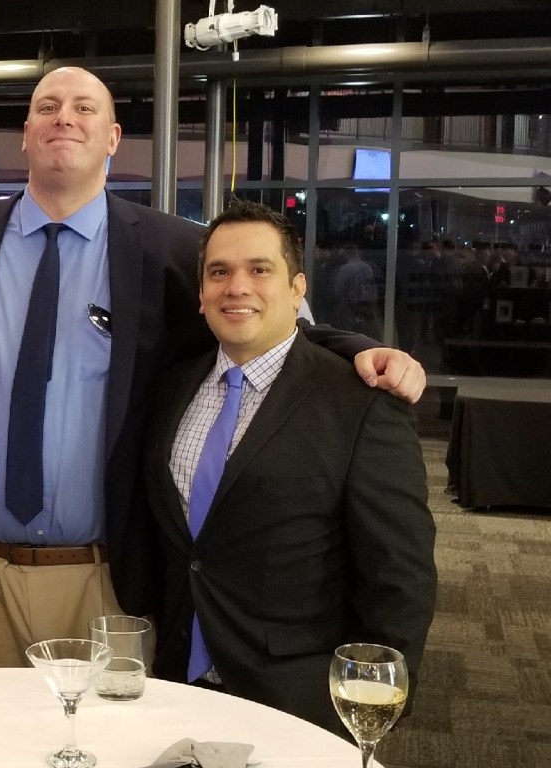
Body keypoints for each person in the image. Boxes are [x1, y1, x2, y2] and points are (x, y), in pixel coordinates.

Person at [0, 65, 427, 667]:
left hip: (109, 582)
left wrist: (356, 348)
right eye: (47, 107)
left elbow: (264, 318)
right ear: (26, 133)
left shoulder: (174, 250)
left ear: (113, 137)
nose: (64, 118)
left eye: (84, 108)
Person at [144, 199, 436, 736]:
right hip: (176, 683)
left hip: (298, 699)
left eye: (260, 269)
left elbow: (399, 574)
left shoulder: (361, 404)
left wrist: (376, 698)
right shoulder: (171, 388)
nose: (237, 287)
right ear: (201, 293)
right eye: (219, 272)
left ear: (297, 288)